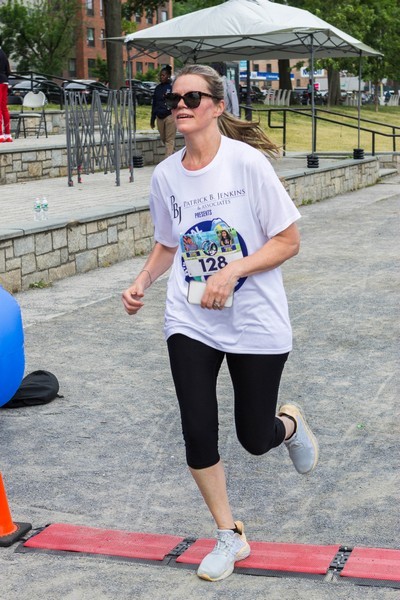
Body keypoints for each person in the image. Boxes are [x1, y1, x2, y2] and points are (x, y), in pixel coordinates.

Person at [122, 64, 319, 582]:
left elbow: (288, 241)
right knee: (197, 429)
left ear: (217, 105)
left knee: (254, 437)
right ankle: (229, 534)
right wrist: (143, 279)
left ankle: (289, 425)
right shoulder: (166, 176)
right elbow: (169, 243)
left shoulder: (246, 164)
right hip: (190, 318)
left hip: (254, 319)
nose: (180, 105)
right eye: (174, 98)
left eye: (192, 97)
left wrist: (232, 271)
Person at [150, 68, 176, 157]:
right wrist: (152, 119)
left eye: (163, 75)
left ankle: (167, 161)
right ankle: (175, 156)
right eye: (160, 75)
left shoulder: (172, 87)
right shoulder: (157, 88)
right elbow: (154, 103)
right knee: (163, 139)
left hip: (170, 116)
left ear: (168, 76)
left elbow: (176, 101)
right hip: (159, 116)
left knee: (169, 140)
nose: (161, 77)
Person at [0, 45, 12, 143]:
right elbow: (8, 70)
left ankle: (0, 135)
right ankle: (8, 135)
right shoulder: (3, 54)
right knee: (4, 108)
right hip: (5, 81)